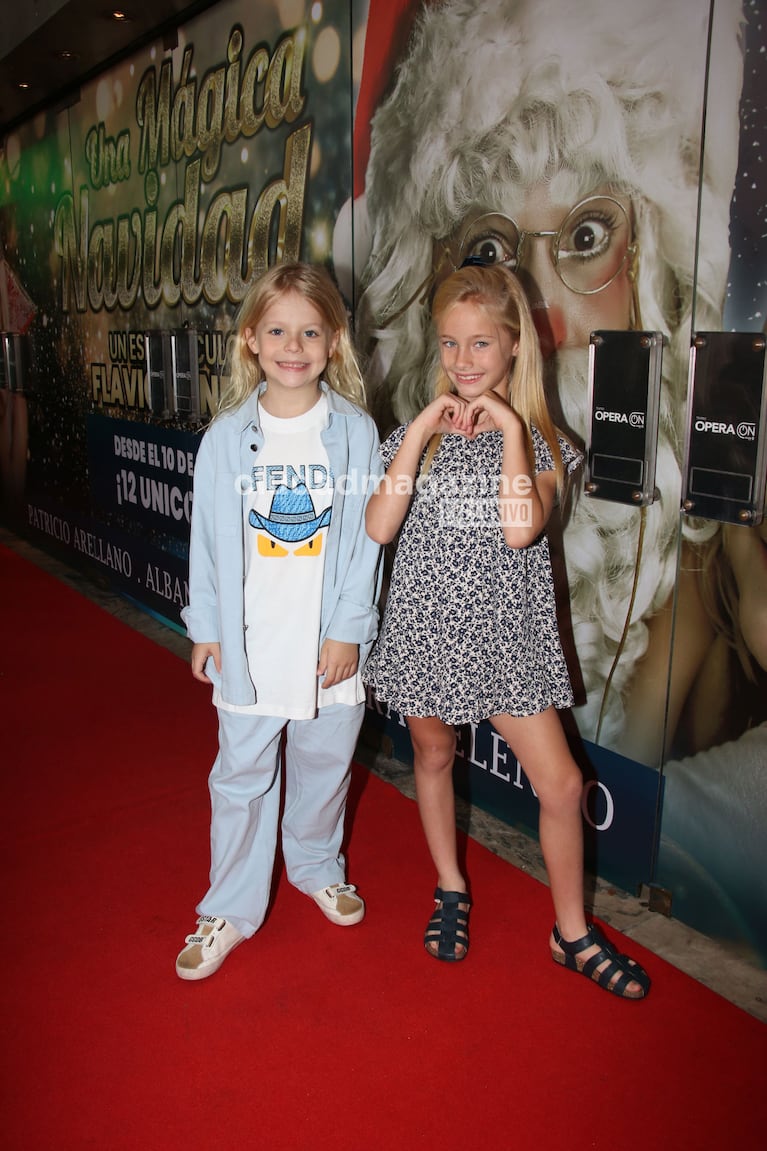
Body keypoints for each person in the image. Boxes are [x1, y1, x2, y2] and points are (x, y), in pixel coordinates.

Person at [345, 0, 744, 762]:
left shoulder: (703, 570)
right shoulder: (437, 435)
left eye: (585, 237)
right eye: (492, 250)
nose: (539, 311)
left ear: (652, 253)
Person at [363, 262, 650, 998]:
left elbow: (521, 527)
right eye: (450, 344)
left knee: (559, 784)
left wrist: (512, 428)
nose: (463, 362)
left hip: (505, 637)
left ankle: (570, 932)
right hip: (426, 623)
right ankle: (450, 886)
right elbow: (377, 524)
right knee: (432, 751)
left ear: (515, 345)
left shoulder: (546, 442)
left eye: (481, 345)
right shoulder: (415, 435)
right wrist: (424, 423)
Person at [176, 262, 382, 981]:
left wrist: (349, 627)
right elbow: (205, 539)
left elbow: (365, 542)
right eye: (277, 330)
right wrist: (206, 625)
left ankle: (317, 864)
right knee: (240, 776)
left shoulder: (356, 432)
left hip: (327, 644)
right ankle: (229, 907)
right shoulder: (227, 437)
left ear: (333, 341)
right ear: (250, 342)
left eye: (309, 331)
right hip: (252, 643)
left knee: (325, 767)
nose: (292, 345)